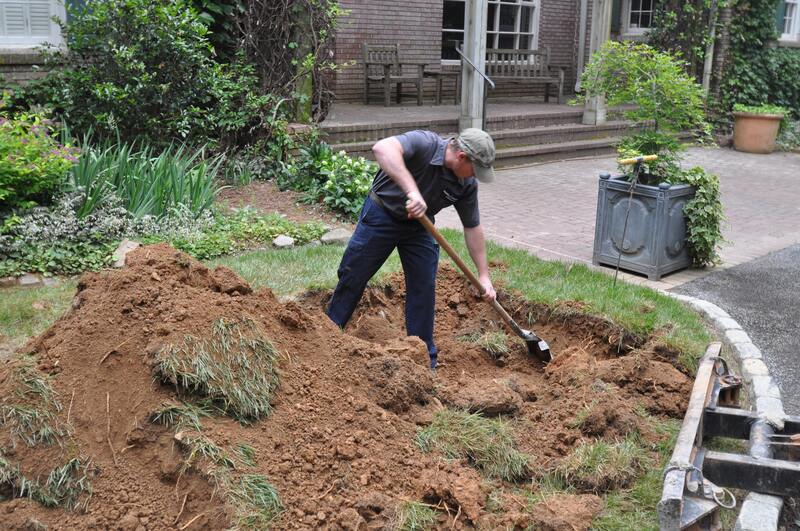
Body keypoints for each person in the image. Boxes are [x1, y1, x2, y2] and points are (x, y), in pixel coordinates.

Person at [326, 128, 497, 369]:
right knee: (353, 274)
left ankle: (423, 359)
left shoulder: (466, 184)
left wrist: (484, 275)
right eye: (475, 170)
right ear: (461, 157)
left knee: (423, 287)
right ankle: (327, 336)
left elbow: (473, 227)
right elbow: (382, 148)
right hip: (382, 214)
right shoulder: (425, 143)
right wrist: (413, 192)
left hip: (420, 227)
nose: (475, 177)